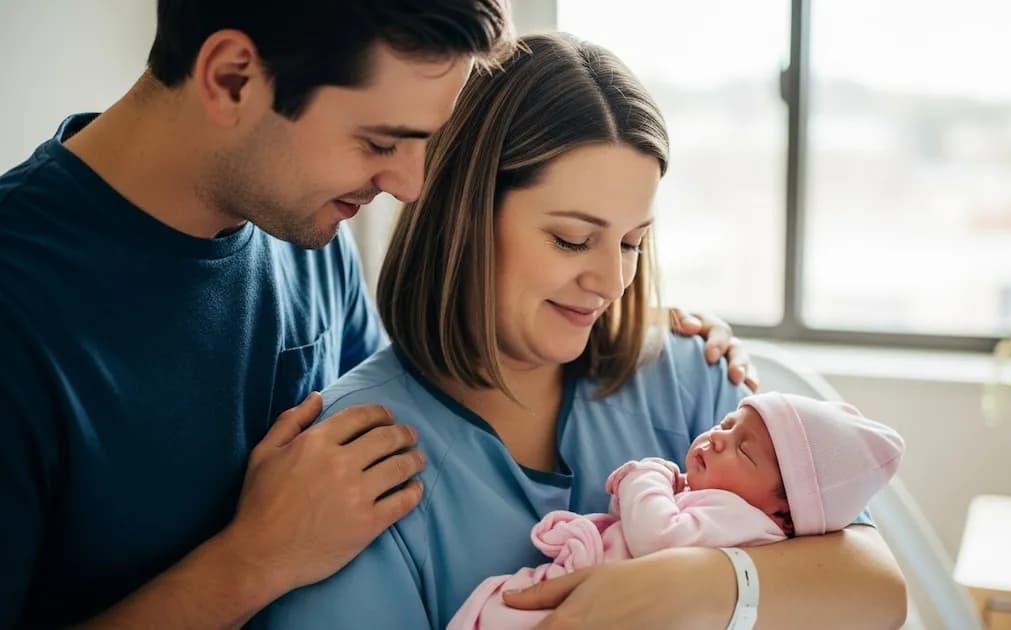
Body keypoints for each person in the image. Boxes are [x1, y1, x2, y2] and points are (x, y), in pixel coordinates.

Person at [0, 4, 748, 628]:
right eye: (380, 142)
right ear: (231, 78)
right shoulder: (22, 304)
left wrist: (613, 313)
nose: (413, 185)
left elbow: (421, 412)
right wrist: (249, 562)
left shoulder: (307, 236)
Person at [257, 33, 907, 630]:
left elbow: (877, 590)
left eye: (630, 243)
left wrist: (694, 583)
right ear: (465, 216)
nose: (609, 281)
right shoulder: (358, 461)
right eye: (572, 240)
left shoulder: (692, 376)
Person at [449, 392, 906, 629]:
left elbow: (657, 538)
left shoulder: (746, 522)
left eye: (743, 451)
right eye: (726, 424)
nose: (719, 438)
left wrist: (645, 475)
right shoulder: (722, 503)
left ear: (784, 513)